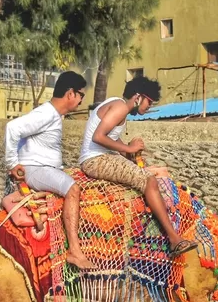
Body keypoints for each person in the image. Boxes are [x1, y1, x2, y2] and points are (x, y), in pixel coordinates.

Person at [78, 77, 196, 257]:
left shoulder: (118, 107)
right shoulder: (120, 107)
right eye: (149, 102)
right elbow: (99, 137)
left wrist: (129, 152)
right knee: (148, 180)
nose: (149, 107)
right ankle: (174, 239)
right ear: (138, 97)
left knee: (153, 172)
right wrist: (129, 148)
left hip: (101, 157)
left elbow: (111, 138)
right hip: (96, 160)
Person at [5, 71, 94, 270]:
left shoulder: (53, 115)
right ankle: (75, 251)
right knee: (73, 189)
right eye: (81, 95)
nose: (81, 101)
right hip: (36, 169)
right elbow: (12, 128)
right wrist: (12, 163)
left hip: (43, 168)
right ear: (70, 93)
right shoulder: (47, 113)